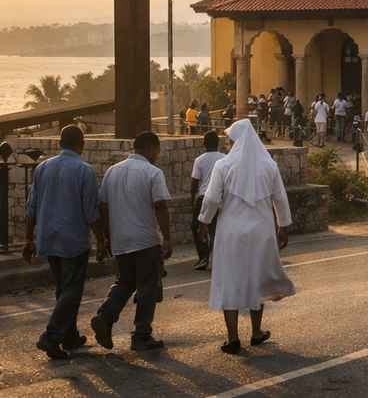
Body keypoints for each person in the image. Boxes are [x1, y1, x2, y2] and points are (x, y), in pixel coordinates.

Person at [196, 118, 294, 354]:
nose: (228, 145)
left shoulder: (223, 166)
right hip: (262, 231)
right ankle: (256, 332)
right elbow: (280, 198)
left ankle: (232, 338)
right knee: (256, 278)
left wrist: (203, 222)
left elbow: (211, 200)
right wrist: (283, 226)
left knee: (229, 279)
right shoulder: (269, 165)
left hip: (231, 232)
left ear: (237, 141)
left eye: (230, 141)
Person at [23, 125, 106, 359]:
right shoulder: (84, 170)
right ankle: (51, 337)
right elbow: (91, 212)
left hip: (48, 238)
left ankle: (69, 335)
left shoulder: (42, 168)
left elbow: (32, 207)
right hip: (73, 241)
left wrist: (29, 239)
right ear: (82, 144)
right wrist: (101, 239)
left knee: (63, 289)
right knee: (71, 291)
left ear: (60, 143)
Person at [91, 131, 172, 353]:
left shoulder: (112, 172)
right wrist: (167, 238)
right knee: (147, 287)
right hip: (145, 240)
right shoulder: (152, 172)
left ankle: (105, 317)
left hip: (120, 240)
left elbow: (103, 206)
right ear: (151, 148)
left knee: (125, 282)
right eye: (157, 149)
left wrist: (107, 236)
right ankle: (141, 335)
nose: (158, 154)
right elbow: (160, 206)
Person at [191, 130, 226, 271]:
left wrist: (192, 201)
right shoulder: (225, 158)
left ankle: (203, 257)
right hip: (220, 198)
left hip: (203, 197)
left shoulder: (199, 160)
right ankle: (218, 257)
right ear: (218, 144)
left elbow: (194, 184)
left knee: (198, 228)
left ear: (204, 144)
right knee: (216, 229)